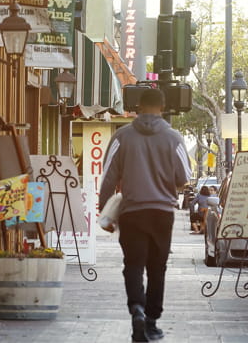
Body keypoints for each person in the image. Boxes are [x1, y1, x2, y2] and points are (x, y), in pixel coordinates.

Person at [98, 88, 192, 342]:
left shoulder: (122, 136)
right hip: (162, 214)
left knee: (133, 265)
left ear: (138, 106)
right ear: (163, 107)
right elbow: (184, 178)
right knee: (157, 268)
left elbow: (108, 176)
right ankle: (151, 321)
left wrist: (103, 210)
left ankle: (136, 309)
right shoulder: (175, 139)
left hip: (132, 212)